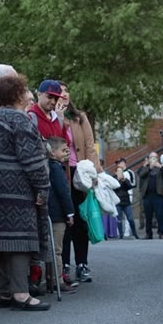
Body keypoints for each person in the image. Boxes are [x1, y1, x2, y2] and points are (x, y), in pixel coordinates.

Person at [0, 74, 52, 311]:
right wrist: (43, 186)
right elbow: (31, 160)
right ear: (18, 95)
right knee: (20, 242)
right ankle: (21, 293)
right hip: (18, 191)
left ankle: (2, 292)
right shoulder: (19, 120)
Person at [61, 85, 101, 281]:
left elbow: (89, 146)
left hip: (80, 174)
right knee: (65, 221)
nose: (65, 94)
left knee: (81, 219)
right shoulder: (51, 117)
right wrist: (59, 118)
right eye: (60, 91)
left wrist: (95, 172)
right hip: (61, 173)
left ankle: (82, 264)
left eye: (66, 90)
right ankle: (64, 265)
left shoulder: (80, 117)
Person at [45, 137, 77, 289]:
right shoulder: (57, 169)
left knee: (52, 249)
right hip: (57, 215)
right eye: (63, 150)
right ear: (52, 153)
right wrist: (69, 213)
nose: (67, 154)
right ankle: (58, 281)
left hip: (51, 213)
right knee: (57, 250)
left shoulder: (50, 167)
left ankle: (52, 279)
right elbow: (63, 192)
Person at [139, 152, 163, 240]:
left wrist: (159, 166)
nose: (153, 159)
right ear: (148, 159)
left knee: (159, 215)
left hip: (158, 195)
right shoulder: (145, 167)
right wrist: (149, 167)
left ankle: (161, 233)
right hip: (147, 195)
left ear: (157, 158)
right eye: (151, 157)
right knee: (148, 216)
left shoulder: (161, 167)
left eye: (155, 157)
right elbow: (141, 175)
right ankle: (148, 234)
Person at [114, 158, 138, 238]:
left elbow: (130, 186)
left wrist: (124, 180)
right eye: (118, 172)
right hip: (118, 201)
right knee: (119, 219)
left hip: (126, 200)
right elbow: (113, 188)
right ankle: (120, 234)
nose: (119, 173)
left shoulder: (126, 177)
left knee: (130, 218)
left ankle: (133, 233)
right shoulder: (114, 180)